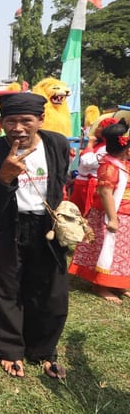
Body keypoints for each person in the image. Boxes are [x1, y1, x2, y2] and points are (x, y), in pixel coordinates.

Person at [0, 92, 70, 379]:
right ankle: (11, 349)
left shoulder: (56, 143)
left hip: (48, 226)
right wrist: (4, 177)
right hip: (8, 226)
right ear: (2, 122)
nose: (18, 127)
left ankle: (44, 349)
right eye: (11, 121)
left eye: (25, 120)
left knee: (51, 289)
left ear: (40, 120)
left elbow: (59, 181)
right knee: (7, 287)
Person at [69, 120, 130, 303]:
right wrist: (112, 219)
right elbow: (105, 193)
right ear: (127, 149)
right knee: (106, 249)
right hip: (111, 215)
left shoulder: (121, 164)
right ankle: (101, 285)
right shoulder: (109, 166)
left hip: (124, 215)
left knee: (122, 252)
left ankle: (118, 283)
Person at [71, 117, 117, 215]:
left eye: (100, 126)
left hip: (90, 186)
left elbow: (88, 162)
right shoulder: (98, 145)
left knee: (86, 215)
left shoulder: (108, 148)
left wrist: (89, 145)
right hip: (81, 183)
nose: (97, 128)